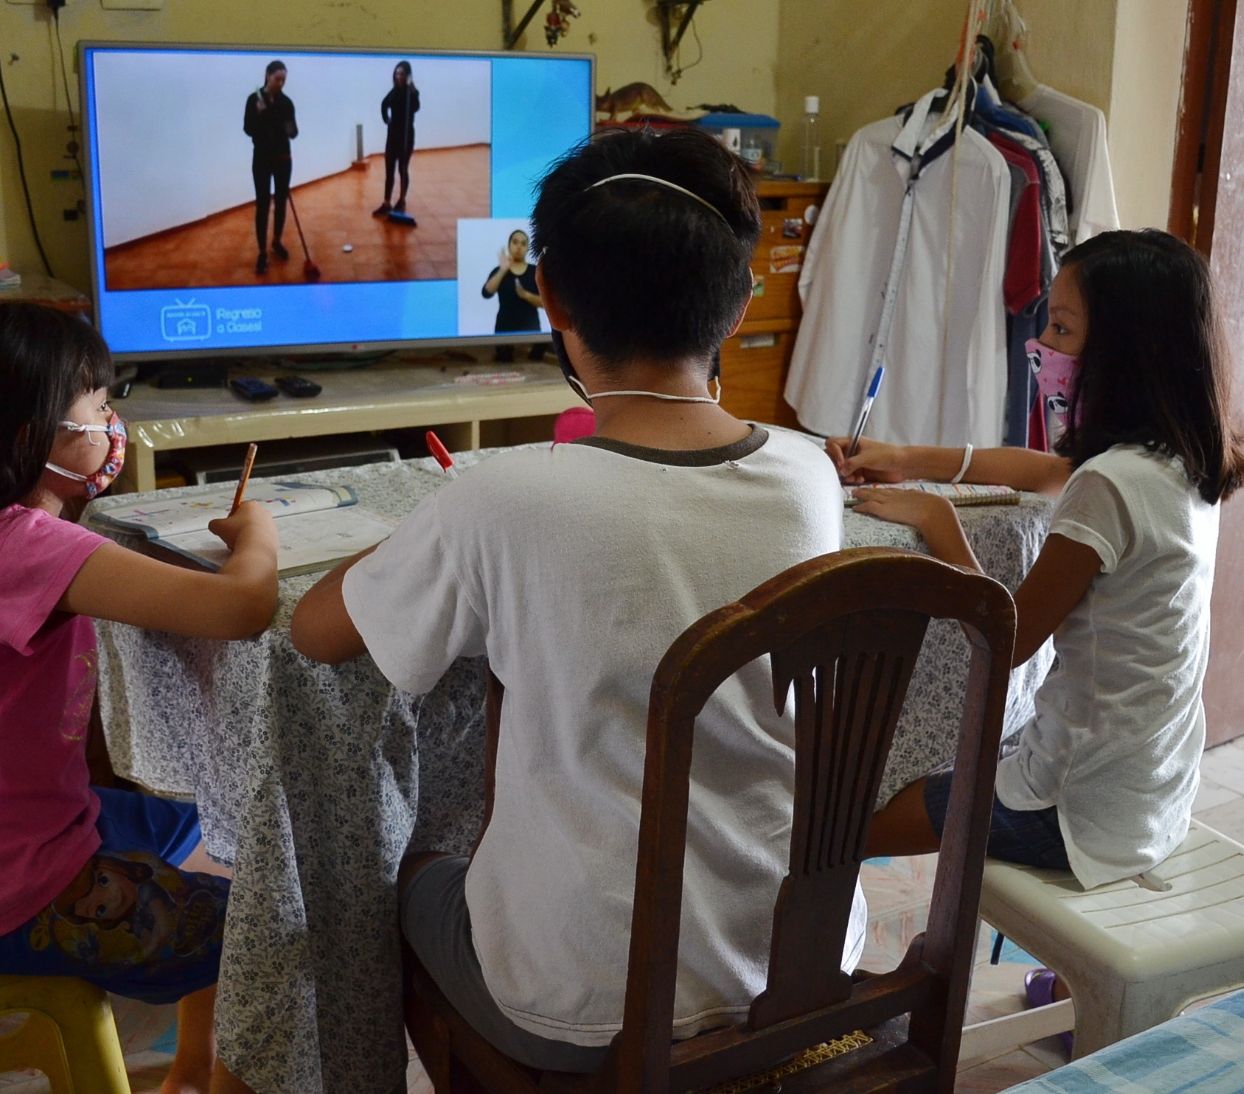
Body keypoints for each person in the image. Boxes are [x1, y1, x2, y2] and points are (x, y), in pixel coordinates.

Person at [289, 127, 866, 1073]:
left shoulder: (504, 497)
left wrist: (426, 531)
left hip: (581, 1003)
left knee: (411, 876)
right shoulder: (809, 474)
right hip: (799, 964)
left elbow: (318, 634)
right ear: (738, 303)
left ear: (547, 294)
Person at [0, 303, 280, 1094]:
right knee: (274, 931)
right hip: (0, 892)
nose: (112, 425)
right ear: (35, 434)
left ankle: (190, 1073)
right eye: (97, 409)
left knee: (218, 835)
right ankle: (220, 1081)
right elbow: (243, 609)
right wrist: (255, 531)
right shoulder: (24, 549)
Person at [842, 230, 1244, 1009]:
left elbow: (1005, 639)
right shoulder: (1184, 462)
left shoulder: (1112, 484)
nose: (1042, 345)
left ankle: (838, 992)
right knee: (948, 770)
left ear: (1123, 350)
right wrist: (907, 455)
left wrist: (938, 523)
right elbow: (1039, 470)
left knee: (854, 822)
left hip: (1076, 811)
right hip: (1151, 794)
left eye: (1062, 330)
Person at [244, 60, 298, 277]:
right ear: (267, 76)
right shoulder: (253, 100)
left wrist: (289, 127)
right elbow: (248, 129)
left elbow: (293, 132)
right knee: (263, 204)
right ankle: (263, 252)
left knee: (281, 201)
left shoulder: (286, 102)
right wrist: (259, 114)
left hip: (283, 158)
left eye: (284, 79)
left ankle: (276, 241)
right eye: (277, 79)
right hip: (262, 159)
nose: (281, 83)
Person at [480, 228, 544, 363]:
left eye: (523, 244)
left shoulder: (535, 272)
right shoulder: (499, 270)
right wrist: (503, 270)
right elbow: (486, 293)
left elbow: (547, 303)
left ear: (527, 249)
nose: (519, 247)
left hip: (531, 332)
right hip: (504, 331)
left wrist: (526, 295)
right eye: (515, 242)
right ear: (509, 246)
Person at [372, 60, 420, 218]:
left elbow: (416, 107)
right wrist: (386, 119)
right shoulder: (393, 92)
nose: (398, 76)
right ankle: (386, 203)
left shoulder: (411, 93)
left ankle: (401, 199)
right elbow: (383, 104)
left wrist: (411, 89)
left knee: (402, 169)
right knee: (389, 170)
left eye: (401, 73)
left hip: (407, 136)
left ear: (407, 75)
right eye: (397, 73)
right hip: (393, 136)